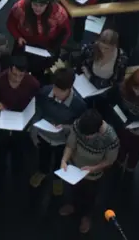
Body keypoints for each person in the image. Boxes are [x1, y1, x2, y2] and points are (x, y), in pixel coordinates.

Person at [59, 109, 120, 233]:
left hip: (93, 175)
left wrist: (93, 168)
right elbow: (70, 145)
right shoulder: (79, 125)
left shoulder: (111, 139)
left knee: (89, 196)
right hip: (74, 167)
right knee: (72, 189)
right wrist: (64, 160)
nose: (85, 137)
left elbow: (109, 161)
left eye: (89, 135)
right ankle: (72, 205)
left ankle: (87, 217)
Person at [29, 67, 87, 195]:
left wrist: (65, 127)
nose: (55, 92)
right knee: (43, 155)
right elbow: (38, 110)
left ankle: (57, 178)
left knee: (59, 161)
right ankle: (42, 171)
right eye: (55, 87)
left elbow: (79, 126)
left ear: (70, 88)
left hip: (62, 140)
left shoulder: (79, 104)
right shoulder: (44, 92)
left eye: (60, 90)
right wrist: (34, 129)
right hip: (44, 135)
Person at [0, 56, 40, 183]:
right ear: (9, 70)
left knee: (19, 150)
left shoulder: (32, 83)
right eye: (14, 74)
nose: (17, 78)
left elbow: (36, 102)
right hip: (3, 117)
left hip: (21, 119)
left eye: (21, 75)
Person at [7, 0, 71, 76]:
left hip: (47, 47)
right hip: (24, 43)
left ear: (48, 4)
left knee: (40, 72)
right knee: (17, 68)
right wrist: (18, 37)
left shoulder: (58, 13)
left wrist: (56, 47)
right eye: (35, 5)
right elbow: (11, 23)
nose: (37, 8)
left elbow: (66, 32)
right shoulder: (20, 7)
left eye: (41, 5)